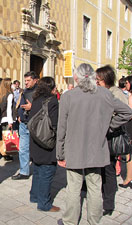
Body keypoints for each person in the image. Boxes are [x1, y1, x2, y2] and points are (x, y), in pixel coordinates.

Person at [56, 63, 132, 225]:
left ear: (76, 78)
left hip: (74, 148)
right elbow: (127, 112)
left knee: (74, 188)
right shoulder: (104, 94)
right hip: (97, 147)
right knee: (94, 187)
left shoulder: (69, 96)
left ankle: (70, 221)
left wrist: (60, 153)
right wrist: (109, 125)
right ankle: (94, 221)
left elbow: (61, 128)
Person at [96, 65, 128, 215]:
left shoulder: (115, 93)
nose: (96, 82)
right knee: (102, 169)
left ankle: (108, 204)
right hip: (100, 137)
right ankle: (104, 193)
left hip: (110, 138)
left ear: (106, 79)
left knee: (108, 169)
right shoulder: (102, 91)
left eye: (98, 79)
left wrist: (109, 126)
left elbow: (126, 114)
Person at [28, 77, 60, 212]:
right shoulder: (52, 101)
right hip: (47, 141)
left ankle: (34, 196)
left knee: (37, 170)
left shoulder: (36, 100)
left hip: (36, 141)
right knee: (47, 171)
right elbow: (54, 123)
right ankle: (44, 203)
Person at [12, 71, 39, 180]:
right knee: (23, 149)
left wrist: (32, 107)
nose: (26, 83)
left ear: (35, 80)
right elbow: (20, 103)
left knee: (37, 149)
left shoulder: (40, 92)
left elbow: (45, 107)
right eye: (25, 81)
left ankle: (40, 170)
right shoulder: (24, 91)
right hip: (23, 124)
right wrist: (19, 115)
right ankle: (24, 172)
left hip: (35, 124)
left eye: (28, 80)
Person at [0, 78, 14, 161]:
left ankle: (3, 152)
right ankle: (7, 154)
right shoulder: (9, 95)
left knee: (4, 137)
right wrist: (11, 121)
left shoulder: (0, 95)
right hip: (7, 118)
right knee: (8, 138)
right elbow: (9, 109)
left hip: (2, 118)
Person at [120, 75, 132, 188]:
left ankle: (128, 179)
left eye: (127, 83)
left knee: (129, 154)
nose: (126, 84)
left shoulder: (131, 96)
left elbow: (130, 114)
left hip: (130, 127)